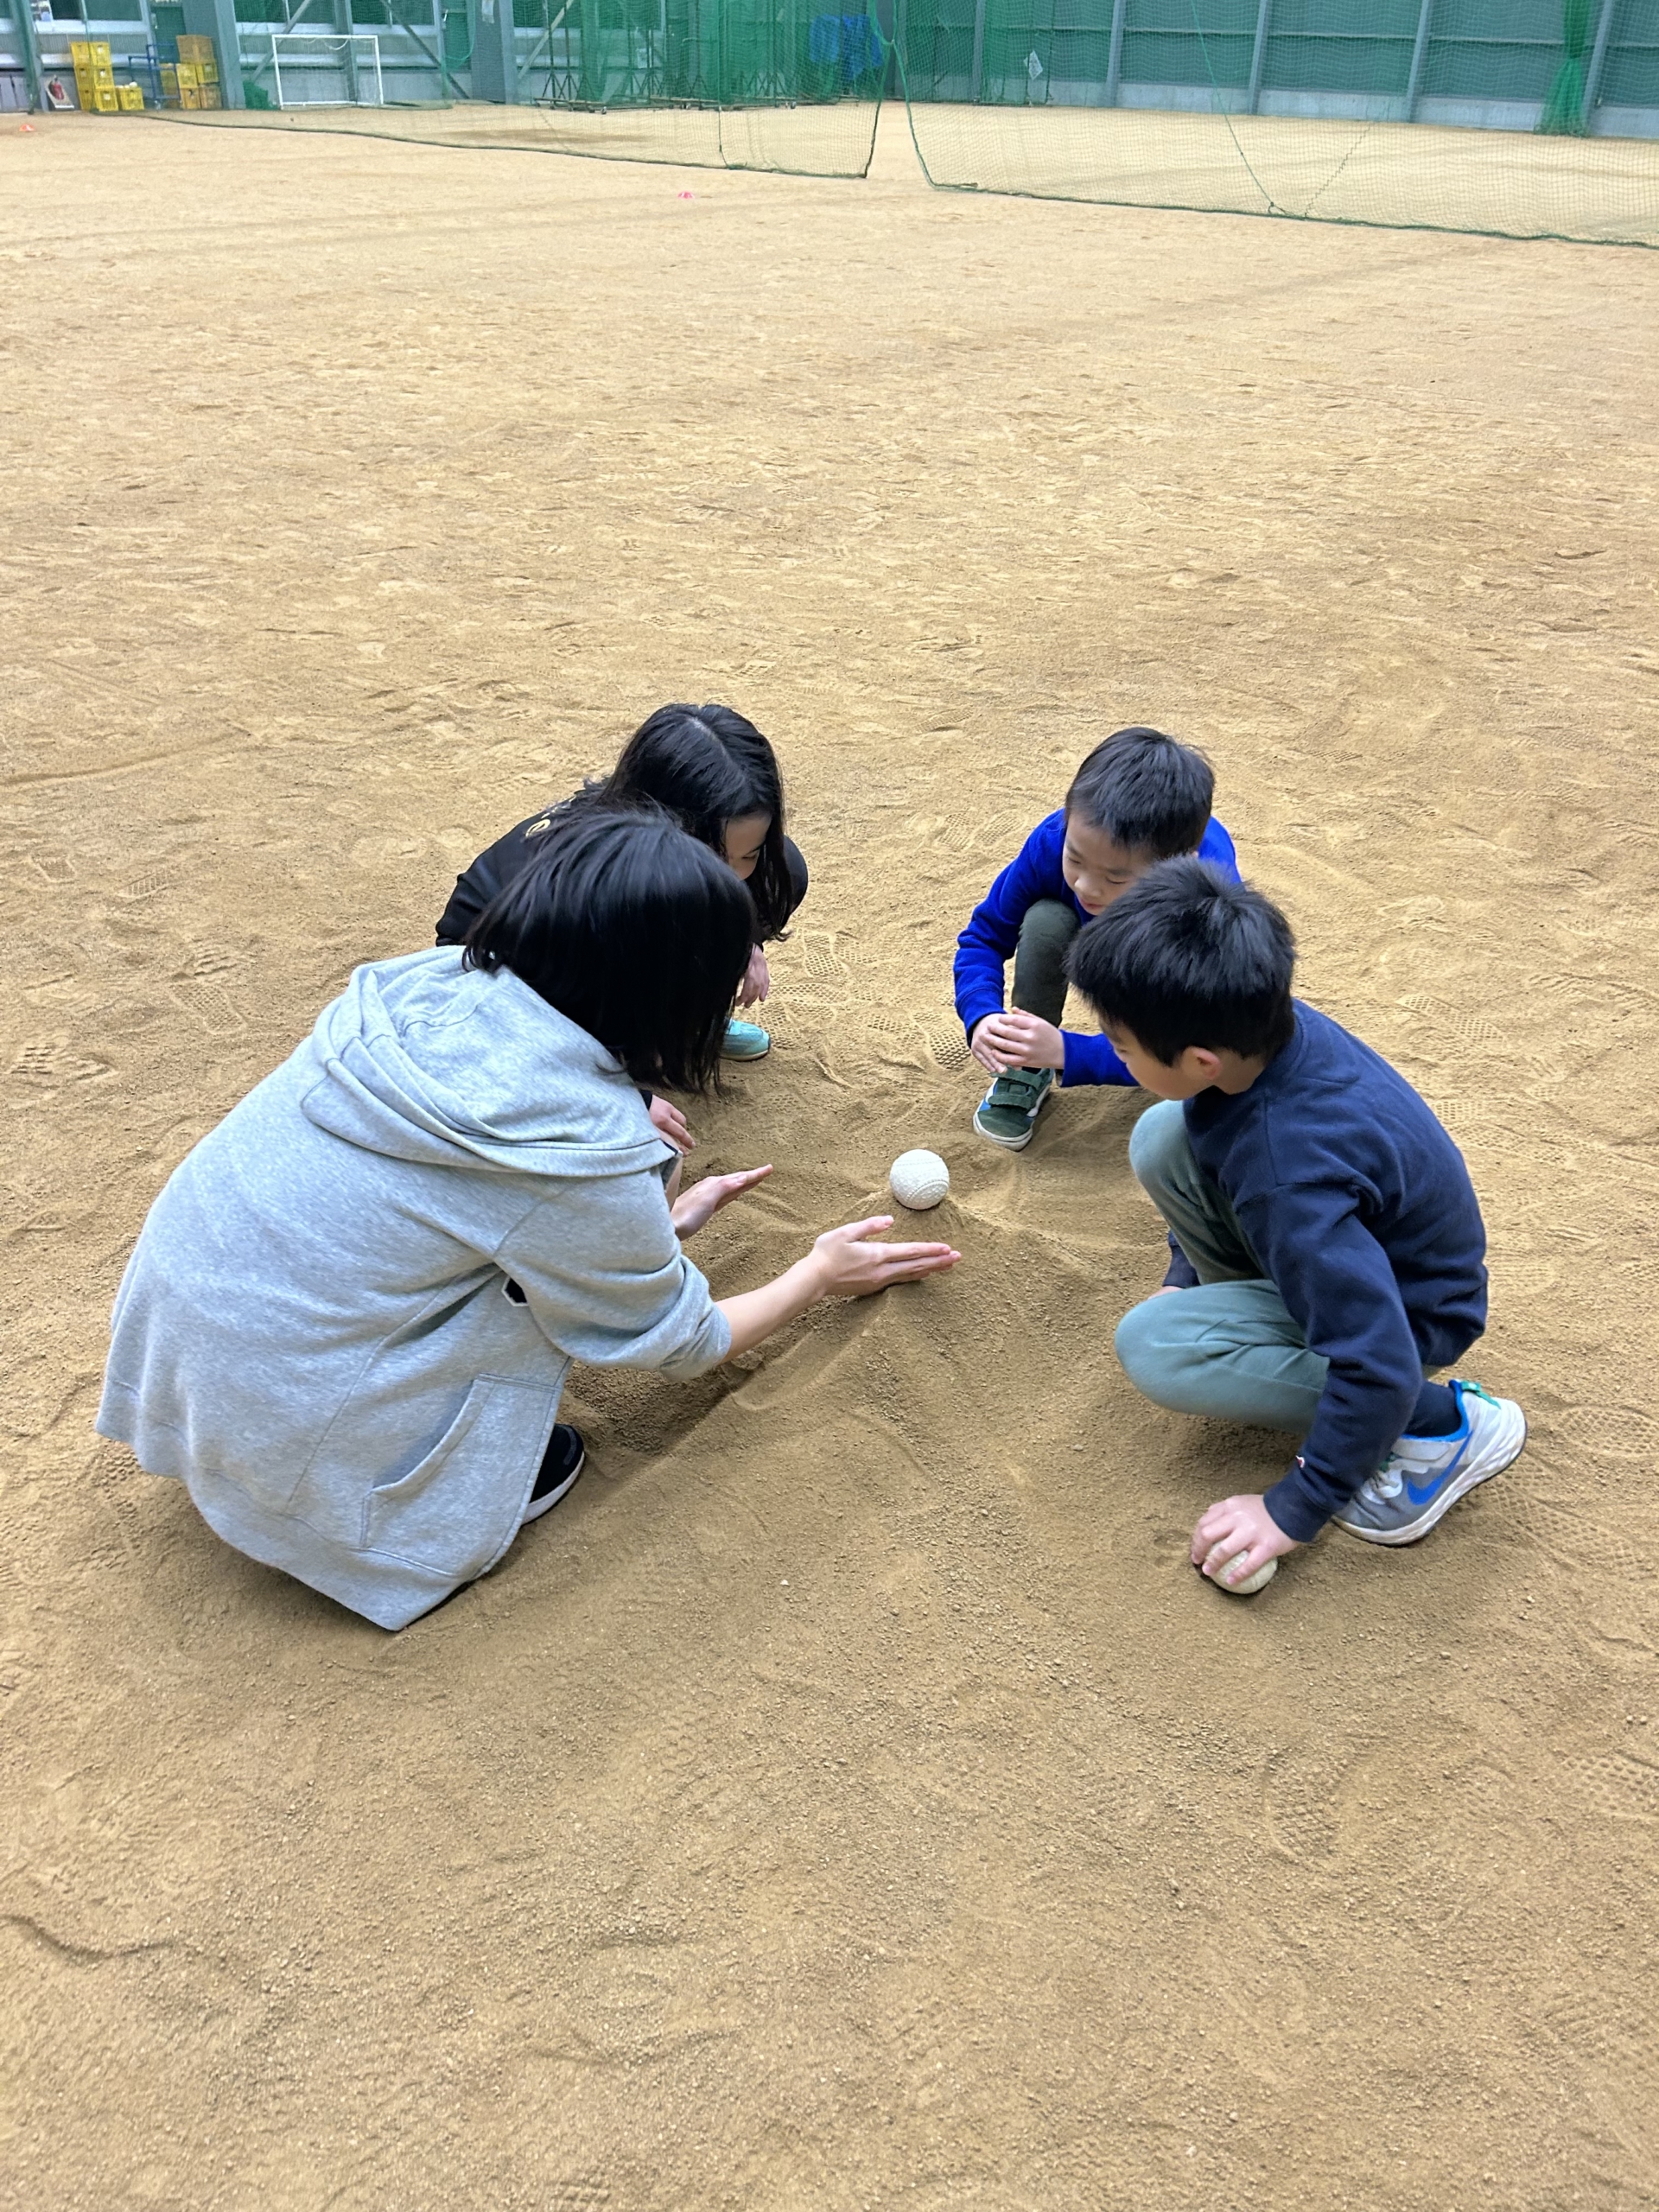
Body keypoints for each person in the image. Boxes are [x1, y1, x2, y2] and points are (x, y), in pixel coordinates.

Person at [96, 809, 958, 1632]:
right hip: (297, 1442)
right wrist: (817, 1273)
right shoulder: (582, 1143)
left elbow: (447, 1208)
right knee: (530, 1356)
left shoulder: (422, 988)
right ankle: (388, 1513)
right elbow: (683, 1342)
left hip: (180, 1362)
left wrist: (649, 1232)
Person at [1065, 858, 1526, 1592]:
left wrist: (1292, 1508)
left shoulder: (1288, 1173)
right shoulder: (1264, 1035)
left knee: (1154, 1348)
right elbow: (1214, 1143)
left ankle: (1441, 1431)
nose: (1114, 1053)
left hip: (1408, 1324)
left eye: (1121, 1047)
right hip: (1354, 1258)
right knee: (1163, 1135)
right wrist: (1184, 1275)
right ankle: (1274, 1315)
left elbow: (1377, 1357)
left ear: (1199, 1059)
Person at [436, 704, 805, 1161]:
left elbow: (739, 885)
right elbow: (543, 1030)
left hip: (615, 942)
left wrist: (742, 939)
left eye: (746, 854)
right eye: (712, 854)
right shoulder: (584, 895)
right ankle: (637, 1047)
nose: (731, 876)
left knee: (781, 874)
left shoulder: (671, 871)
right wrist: (624, 1100)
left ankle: (677, 1026)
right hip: (502, 982)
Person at [953, 726, 1239, 1152]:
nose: (1086, 886)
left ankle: (1069, 1052)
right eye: (1075, 858)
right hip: (1116, 933)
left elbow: (1203, 1046)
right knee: (1047, 918)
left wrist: (1069, 1052)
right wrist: (981, 1014)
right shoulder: (1053, 841)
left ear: (1181, 865)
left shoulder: (1207, 906)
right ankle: (1026, 1062)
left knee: (1193, 1070)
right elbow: (983, 938)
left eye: (1116, 876)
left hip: (1160, 952)